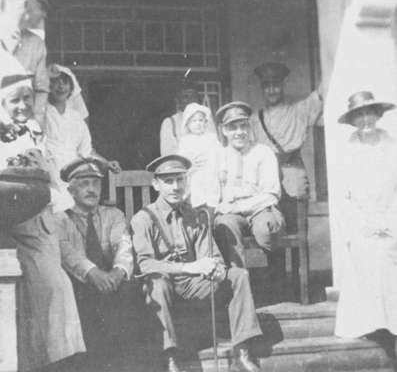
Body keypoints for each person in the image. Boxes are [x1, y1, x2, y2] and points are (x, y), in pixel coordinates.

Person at [131, 154, 263, 372]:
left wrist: (217, 269)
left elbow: (210, 256)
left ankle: (243, 352)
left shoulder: (196, 216)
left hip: (196, 285)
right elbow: (144, 265)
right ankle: (171, 360)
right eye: (168, 181)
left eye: (180, 180)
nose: (176, 187)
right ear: (156, 184)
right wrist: (188, 267)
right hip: (167, 288)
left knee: (238, 275)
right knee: (156, 284)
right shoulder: (143, 219)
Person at [0, 72, 86, 372]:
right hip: (16, 224)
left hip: (43, 218)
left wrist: (61, 200)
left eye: (27, 98)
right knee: (42, 290)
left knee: (58, 287)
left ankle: (61, 361)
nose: (22, 105)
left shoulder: (35, 129)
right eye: (15, 100)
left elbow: (48, 170)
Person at [56, 157, 134, 364]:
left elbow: (124, 246)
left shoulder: (114, 214)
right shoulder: (60, 220)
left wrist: (118, 272)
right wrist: (93, 273)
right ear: (71, 191)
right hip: (81, 286)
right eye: (84, 184)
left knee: (131, 294)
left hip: (112, 283)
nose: (92, 189)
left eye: (96, 183)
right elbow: (68, 254)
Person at [334, 91, 397, 346]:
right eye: (359, 115)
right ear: (353, 120)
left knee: (390, 251)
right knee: (367, 252)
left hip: (390, 218)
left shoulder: (391, 146)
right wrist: (363, 224)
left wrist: (389, 221)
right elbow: (342, 197)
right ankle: (371, 323)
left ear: (377, 115)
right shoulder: (348, 151)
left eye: (369, 113)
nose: (365, 120)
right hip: (360, 223)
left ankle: (392, 322)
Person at [211, 101, 284, 268]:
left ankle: (275, 282)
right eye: (233, 128)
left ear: (249, 128)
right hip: (230, 212)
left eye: (243, 126)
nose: (239, 132)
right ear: (223, 130)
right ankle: (239, 281)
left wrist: (239, 206)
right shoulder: (218, 155)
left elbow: (271, 195)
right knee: (224, 226)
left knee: (266, 229)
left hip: (259, 209)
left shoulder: (263, 152)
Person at [251, 62, 323, 230]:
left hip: (293, 178)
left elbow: (322, 92)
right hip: (267, 182)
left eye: (275, 85)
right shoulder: (255, 119)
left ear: (282, 86)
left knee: (298, 232)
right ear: (262, 89)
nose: (271, 90)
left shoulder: (299, 111)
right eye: (267, 86)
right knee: (272, 232)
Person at [44, 64, 121, 210]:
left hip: (74, 172)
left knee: (77, 210)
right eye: (55, 82)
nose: (61, 86)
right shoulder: (42, 113)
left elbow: (87, 151)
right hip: (50, 170)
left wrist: (106, 163)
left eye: (65, 82)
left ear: (71, 87)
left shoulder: (76, 117)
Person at [1, 0, 50, 128]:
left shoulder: (36, 43)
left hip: (23, 124)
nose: (43, 16)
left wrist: (37, 120)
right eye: (41, 10)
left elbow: (41, 88)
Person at [160, 76, 215, 156]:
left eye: (193, 96)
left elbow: (214, 146)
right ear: (178, 100)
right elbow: (168, 154)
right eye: (185, 97)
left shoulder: (206, 119)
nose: (190, 100)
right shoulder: (170, 123)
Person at [178, 102, 220, 207]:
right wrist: (189, 166)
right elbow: (181, 160)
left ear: (206, 122)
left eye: (201, 120)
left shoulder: (211, 138)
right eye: (194, 121)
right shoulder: (185, 141)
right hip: (194, 175)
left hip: (211, 173)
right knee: (196, 196)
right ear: (187, 124)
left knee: (212, 197)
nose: (198, 124)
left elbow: (219, 155)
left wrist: (220, 169)